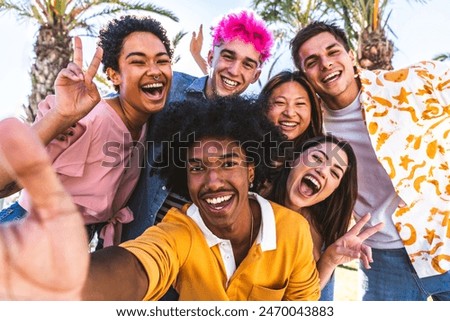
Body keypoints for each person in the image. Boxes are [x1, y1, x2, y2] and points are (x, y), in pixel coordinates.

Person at [0, 96, 321, 301]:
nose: (213, 180)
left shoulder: (293, 231)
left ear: (251, 170)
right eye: (197, 166)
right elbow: (139, 265)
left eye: (228, 163)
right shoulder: (179, 229)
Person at [290, 20, 450, 300]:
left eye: (333, 52)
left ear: (350, 56)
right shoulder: (311, 130)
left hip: (442, 238)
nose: (326, 63)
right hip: (382, 260)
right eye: (312, 61)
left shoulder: (412, 83)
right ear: (305, 77)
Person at [0, 15, 174, 248]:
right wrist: (61, 115)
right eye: (138, 62)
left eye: (161, 61)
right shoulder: (87, 119)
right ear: (113, 75)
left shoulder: (146, 124)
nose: (154, 71)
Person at [122, 9, 274, 242]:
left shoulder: (252, 127)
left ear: (255, 75)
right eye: (228, 56)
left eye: (247, 64)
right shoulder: (170, 88)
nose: (234, 70)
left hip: (193, 255)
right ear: (211, 56)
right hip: (136, 235)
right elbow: (121, 108)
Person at [265, 134, 383, 300]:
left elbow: (301, 299)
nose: (322, 171)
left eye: (334, 173)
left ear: (333, 190)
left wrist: (329, 260)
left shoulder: (312, 232)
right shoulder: (250, 204)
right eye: (316, 158)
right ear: (294, 159)